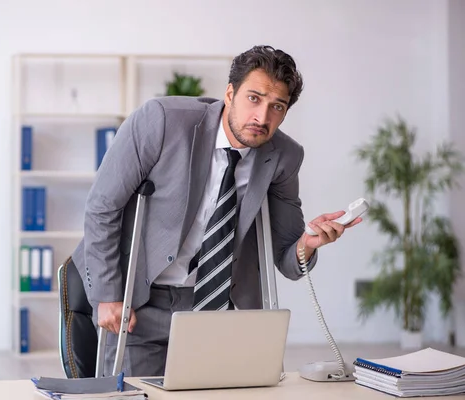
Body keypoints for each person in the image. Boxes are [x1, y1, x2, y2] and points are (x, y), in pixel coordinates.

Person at [67, 44, 361, 377]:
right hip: (139, 304)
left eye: (276, 106)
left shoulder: (284, 156)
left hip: (216, 309)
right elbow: (102, 206)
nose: (262, 117)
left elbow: (287, 257)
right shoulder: (161, 121)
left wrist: (308, 243)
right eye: (254, 98)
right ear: (229, 93)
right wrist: (108, 295)